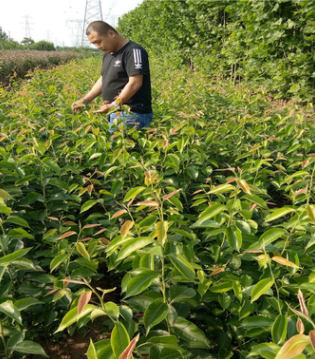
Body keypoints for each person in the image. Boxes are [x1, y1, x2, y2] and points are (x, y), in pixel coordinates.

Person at [71, 21, 153, 132]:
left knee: (124, 148)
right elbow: (104, 79)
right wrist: (85, 100)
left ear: (111, 33)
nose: (97, 46)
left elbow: (135, 82)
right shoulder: (108, 55)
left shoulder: (133, 51)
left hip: (131, 114)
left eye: (98, 42)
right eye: (94, 44)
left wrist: (114, 105)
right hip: (115, 113)